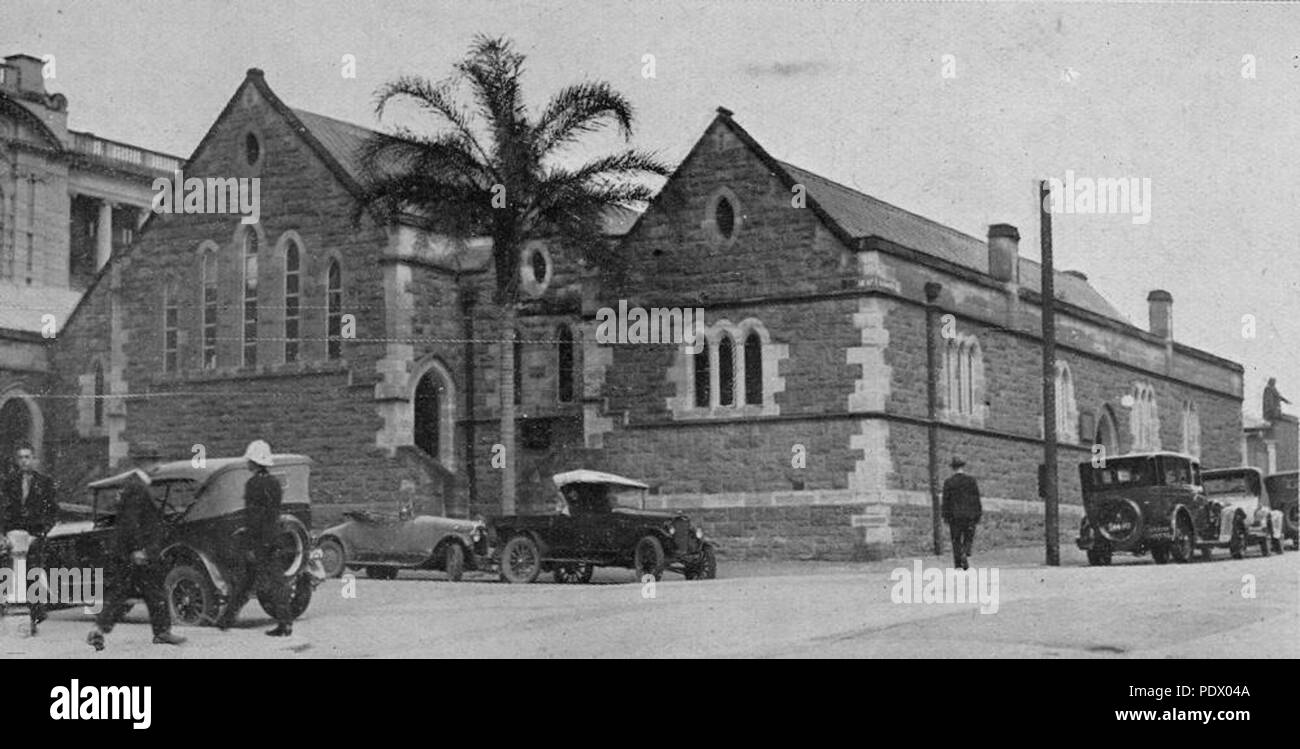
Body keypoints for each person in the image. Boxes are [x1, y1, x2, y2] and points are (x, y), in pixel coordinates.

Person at [87, 441, 185, 650]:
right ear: (142, 463)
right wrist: (137, 548)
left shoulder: (137, 484)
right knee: (139, 591)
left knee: (137, 591)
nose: (155, 465)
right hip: (136, 551)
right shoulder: (136, 486)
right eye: (151, 461)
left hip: (135, 551)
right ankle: (160, 632)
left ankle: (103, 629)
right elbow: (130, 521)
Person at [216, 440, 294, 636]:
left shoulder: (253, 484)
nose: (247, 463)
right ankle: (227, 620)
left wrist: (251, 545)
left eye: (250, 460)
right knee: (267, 581)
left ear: (255, 462)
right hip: (273, 539)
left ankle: (227, 620)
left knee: (255, 581)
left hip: (259, 542)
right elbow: (272, 514)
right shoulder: (274, 483)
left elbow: (254, 517)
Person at [0, 444, 59, 634]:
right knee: (5, 572)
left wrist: (40, 533)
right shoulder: (8, 482)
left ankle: (36, 614)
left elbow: (52, 511)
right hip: (11, 534)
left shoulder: (45, 483)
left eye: (28, 457)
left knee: (32, 573)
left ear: (34, 459)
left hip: (34, 535)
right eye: (21, 457)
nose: (24, 461)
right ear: (17, 461)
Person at [941, 456, 982, 570]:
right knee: (969, 536)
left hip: (955, 516)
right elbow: (976, 499)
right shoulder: (971, 481)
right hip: (969, 515)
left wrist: (945, 516)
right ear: (963, 466)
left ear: (953, 468)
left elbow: (946, 501)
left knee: (956, 539)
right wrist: (978, 514)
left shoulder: (949, 482)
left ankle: (958, 563)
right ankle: (966, 550)